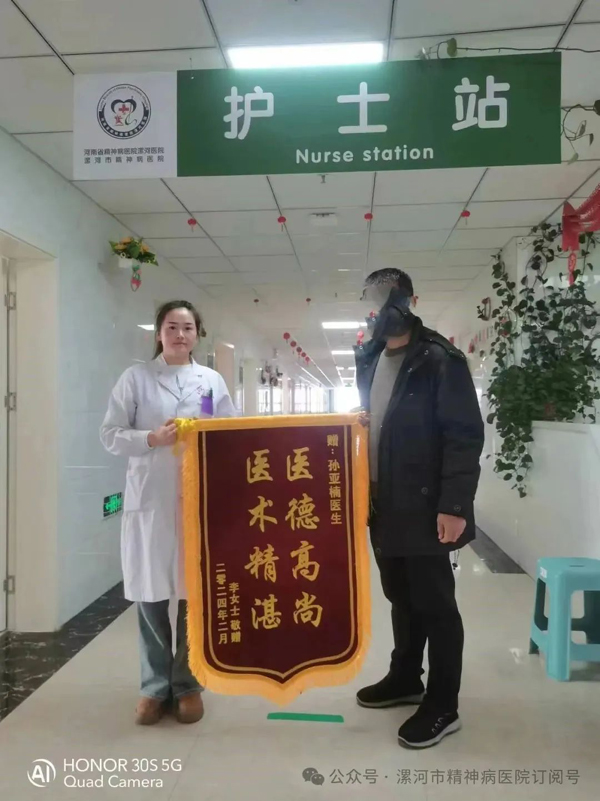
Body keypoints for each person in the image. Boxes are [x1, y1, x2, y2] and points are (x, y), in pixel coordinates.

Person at [354, 268, 484, 749]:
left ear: (409, 300)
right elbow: (378, 423)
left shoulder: (439, 358)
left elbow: (463, 436)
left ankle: (443, 704)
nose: (380, 308)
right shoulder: (369, 357)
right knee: (400, 596)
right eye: (372, 299)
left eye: (389, 298)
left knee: (435, 604)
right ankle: (406, 677)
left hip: (426, 504)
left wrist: (454, 505)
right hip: (381, 501)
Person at [100, 300, 235, 725]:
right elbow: (110, 434)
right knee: (151, 597)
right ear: (159, 333)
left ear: (198, 335)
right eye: (172, 327)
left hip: (197, 500)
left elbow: (227, 433)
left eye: (188, 327)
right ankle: (154, 687)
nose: (180, 334)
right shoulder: (136, 379)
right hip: (152, 501)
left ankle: (188, 684)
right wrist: (151, 439)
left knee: (194, 596)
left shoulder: (210, 382)